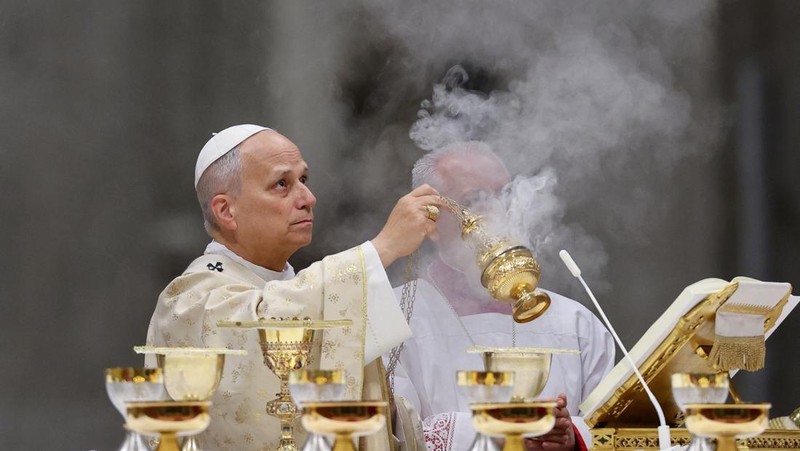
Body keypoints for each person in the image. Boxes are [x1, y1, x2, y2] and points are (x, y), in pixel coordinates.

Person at [145, 124, 443, 451]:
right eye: (282, 184)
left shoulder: (303, 291)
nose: (308, 198)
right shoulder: (189, 301)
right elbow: (262, 324)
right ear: (226, 210)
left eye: (304, 180)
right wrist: (382, 248)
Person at [390, 141, 615, 451]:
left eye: (505, 195)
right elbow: (390, 435)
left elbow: (615, 430)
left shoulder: (575, 324)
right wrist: (497, 431)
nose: (499, 212)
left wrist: (568, 436)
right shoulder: (395, 318)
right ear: (430, 222)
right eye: (476, 200)